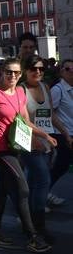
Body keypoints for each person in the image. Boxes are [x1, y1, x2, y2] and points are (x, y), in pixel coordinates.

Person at [0, 58, 55, 252]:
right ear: (2, 72)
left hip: (17, 147)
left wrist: (44, 135)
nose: (12, 75)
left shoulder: (20, 92)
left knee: (2, 192)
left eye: (16, 73)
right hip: (1, 149)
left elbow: (25, 120)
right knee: (23, 189)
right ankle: (32, 237)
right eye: (9, 72)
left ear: (20, 74)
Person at [20, 56, 55, 242]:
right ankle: (39, 226)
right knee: (43, 180)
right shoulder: (21, 90)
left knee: (34, 182)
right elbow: (22, 120)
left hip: (46, 141)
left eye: (41, 69)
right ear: (26, 70)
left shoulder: (45, 87)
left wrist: (65, 134)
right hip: (29, 142)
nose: (38, 72)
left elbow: (51, 115)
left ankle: (30, 223)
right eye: (34, 69)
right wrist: (36, 138)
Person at [48, 58, 73, 206]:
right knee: (61, 165)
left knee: (61, 165)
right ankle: (42, 193)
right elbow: (49, 113)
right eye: (68, 69)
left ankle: (43, 191)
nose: (72, 72)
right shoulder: (57, 90)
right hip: (63, 134)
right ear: (62, 71)